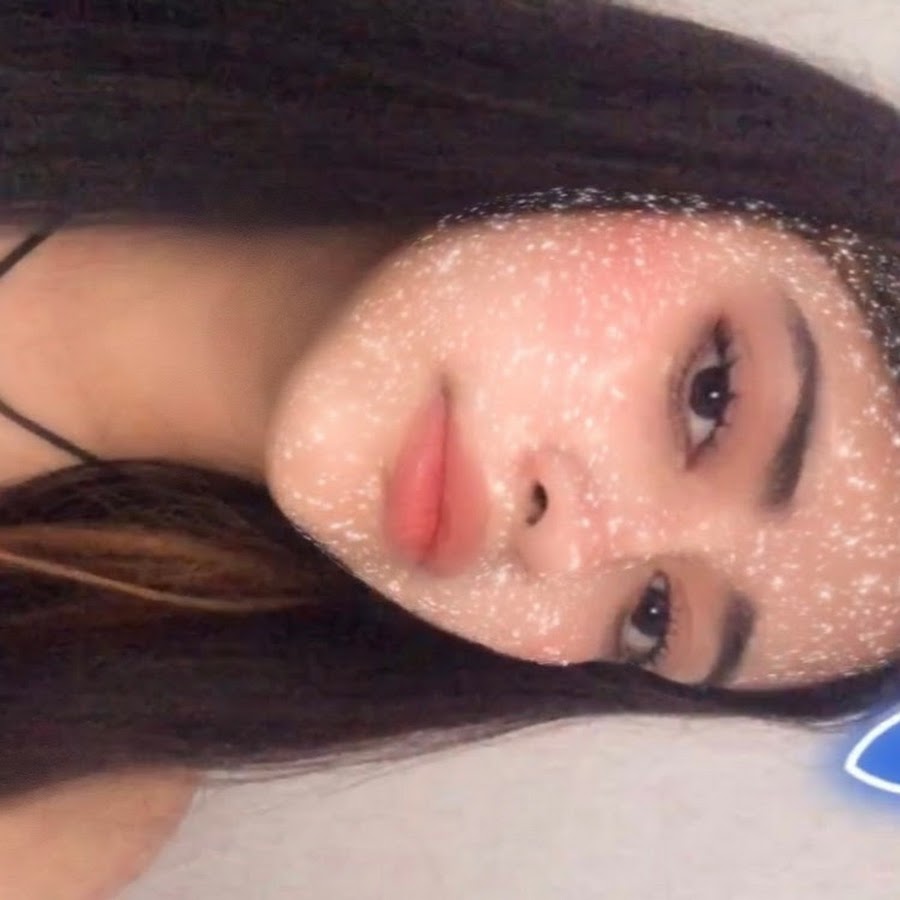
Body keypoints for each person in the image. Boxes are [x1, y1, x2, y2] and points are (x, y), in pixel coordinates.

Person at [0, 0, 897, 895]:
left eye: (652, 616)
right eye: (711, 398)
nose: (565, 548)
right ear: (686, 159)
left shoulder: (41, 809)